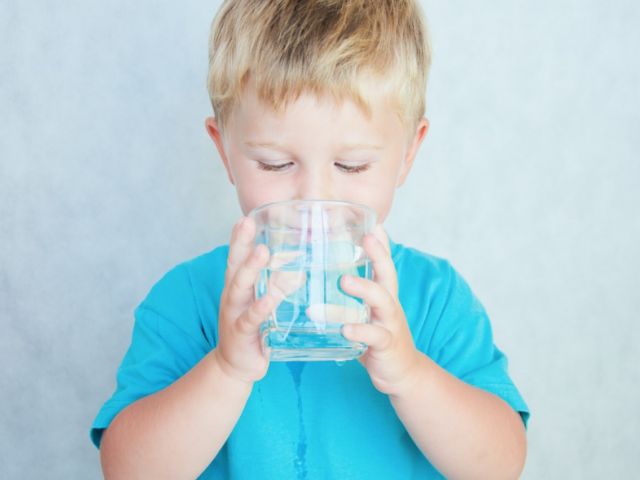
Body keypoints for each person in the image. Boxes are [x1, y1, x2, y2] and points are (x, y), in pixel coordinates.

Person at [92, 1, 530, 478]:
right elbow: (128, 471)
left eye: (352, 166)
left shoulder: (435, 297)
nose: (314, 200)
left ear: (407, 154)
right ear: (224, 151)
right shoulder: (188, 299)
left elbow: (501, 466)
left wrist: (410, 374)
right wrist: (226, 369)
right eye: (275, 164)